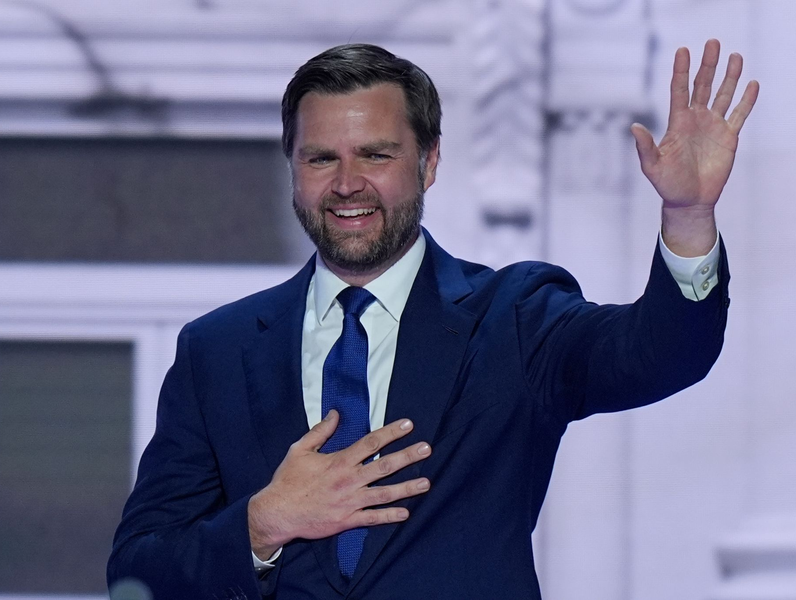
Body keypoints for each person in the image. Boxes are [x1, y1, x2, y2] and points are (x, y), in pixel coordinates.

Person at [107, 41, 758, 599]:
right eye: (321, 158)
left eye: (376, 155)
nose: (347, 183)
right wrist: (262, 523)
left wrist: (688, 218)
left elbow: (660, 352)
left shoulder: (516, 318)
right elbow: (137, 572)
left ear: (430, 162)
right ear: (293, 170)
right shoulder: (215, 350)